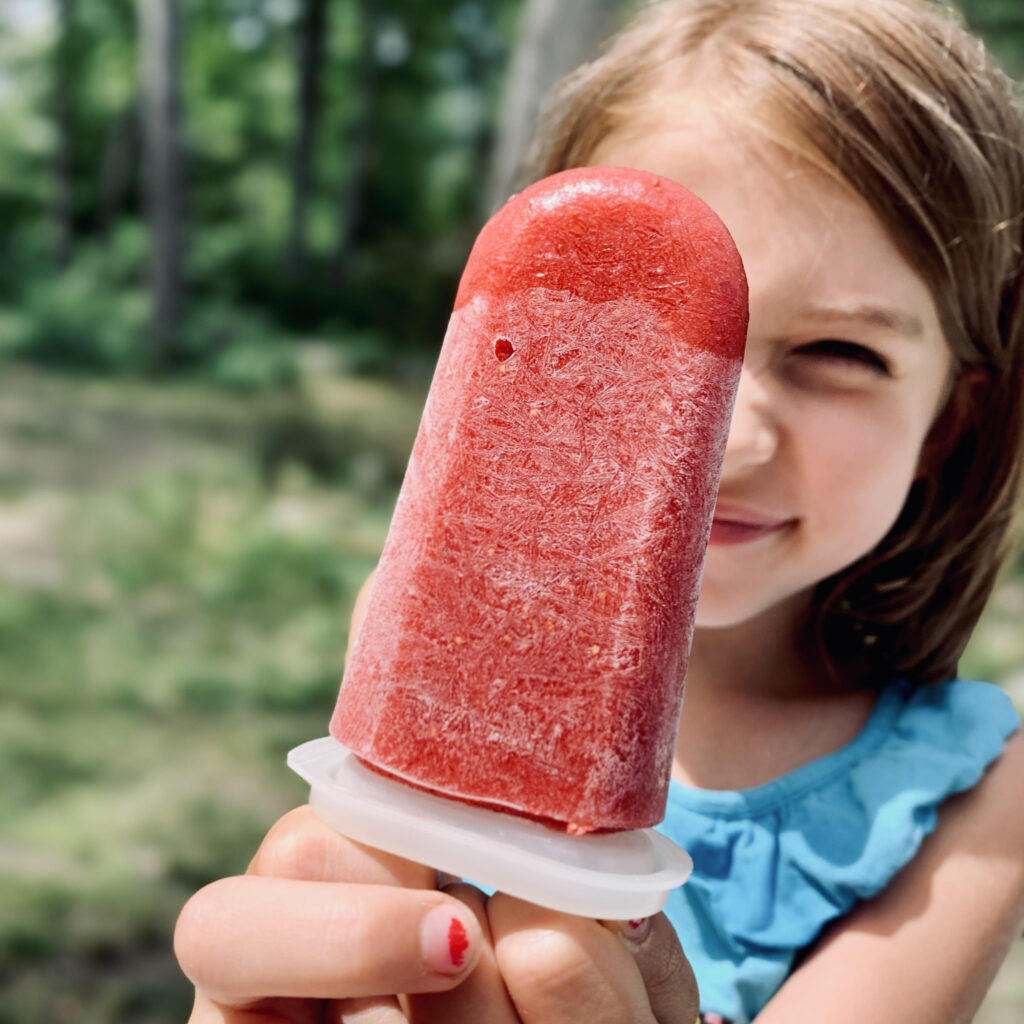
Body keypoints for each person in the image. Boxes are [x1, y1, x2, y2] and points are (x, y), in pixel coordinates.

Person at [173, 0, 1024, 1020]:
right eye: (641, 339)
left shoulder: (979, 803)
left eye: (839, 354)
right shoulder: (424, 642)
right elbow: (356, 889)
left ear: (948, 425)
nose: (725, 439)